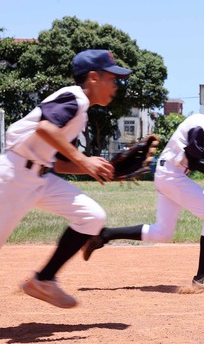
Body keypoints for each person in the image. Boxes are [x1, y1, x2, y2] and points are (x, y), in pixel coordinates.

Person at [82, 82, 204, 293]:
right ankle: (202, 276)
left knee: (162, 232)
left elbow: (199, 163)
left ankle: (104, 235)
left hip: (169, 175)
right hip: (172, 176)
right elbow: (194, 163)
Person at [0, 49, 131, 308]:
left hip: (40, 178)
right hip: (13, 175)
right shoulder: (74, 97)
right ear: (94, 77)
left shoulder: (80, 113)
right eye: (112, 78)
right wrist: (84, 160)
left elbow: (56, 162)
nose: (115, 85)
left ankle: (44, 280)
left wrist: (96, 169)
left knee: (91, 216)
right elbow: (45, 128)